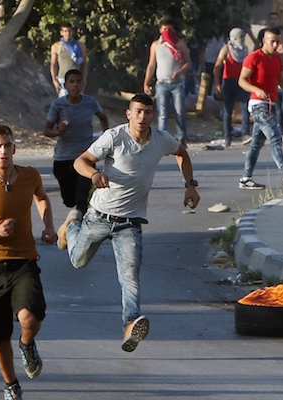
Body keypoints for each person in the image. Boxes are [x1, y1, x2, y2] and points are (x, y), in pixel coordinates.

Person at [57, 93, 200, 354]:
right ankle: (71, 225)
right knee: (78, 261)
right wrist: (94, 174)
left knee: (130, 277)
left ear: (153, 115)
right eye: (138, 112)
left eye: (147, 112)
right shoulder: (115, 137)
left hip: (130, 223)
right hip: (99, 216)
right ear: (129, 114)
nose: (142, 117)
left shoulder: (161, 140)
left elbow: (182, 154)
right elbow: (81, 161)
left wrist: (190, 186)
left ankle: (130, 324)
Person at [0, 125, 58, 400]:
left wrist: (49, 227)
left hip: (23, 262)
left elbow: (41, 197)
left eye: (7, 145)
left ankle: (27, 344)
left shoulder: (30, 175)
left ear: (14, 148)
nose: (3, 151)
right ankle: (11, 385)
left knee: (30, 316)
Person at [238, 27, 283, 190]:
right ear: (264, 41)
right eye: (272, 41)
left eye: (278, 41)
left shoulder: (277, 59)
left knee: (256, 144)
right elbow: (242, 80)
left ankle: (245, 178)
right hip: (258, 105)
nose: (276, 44)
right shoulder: (254, 58)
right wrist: (256, 89)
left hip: (270, 104)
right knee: (276, 137)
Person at [43, 69, 110, 214]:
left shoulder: (90, 103)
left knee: (82, 199)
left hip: (85, 157)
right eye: (71, 82)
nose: (75, 85)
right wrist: (58, 131)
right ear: (65, 85)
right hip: (63, 159)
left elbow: (103, 117)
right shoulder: (58, 105)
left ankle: (81, 227)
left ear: (83, 84)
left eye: (78, 81)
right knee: (69, 200)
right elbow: (47, 130)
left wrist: (106, 138)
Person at [144, 18, 192, 148]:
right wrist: (146, 82)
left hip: (177, 83)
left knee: (179, 112)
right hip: (162, 83)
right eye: (164, 29)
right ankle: (162, 139)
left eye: (169, 29)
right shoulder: (156, 45)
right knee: (163, 113)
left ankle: (182, 138)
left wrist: (180, 72)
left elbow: (188, 62)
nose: (167, 31)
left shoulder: (179, 43)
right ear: (160, 30)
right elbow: (151, 64)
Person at [214, 28, 252, 147]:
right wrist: (217, 83)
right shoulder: (226, 49)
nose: (241, 40)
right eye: (239, 37)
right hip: (228, 82)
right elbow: (217, 66)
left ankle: (245, 134)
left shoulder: (244, 49)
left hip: (241, 81)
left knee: (245, 107)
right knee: (228, 109)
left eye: (243, 37)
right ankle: (227, 136)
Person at [49, 22, 88, 97]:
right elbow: (53, 65)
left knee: (77, 103)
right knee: (64, 104)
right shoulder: (56, 46)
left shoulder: (80, 46)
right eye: (65, 31)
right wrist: (54, 80)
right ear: (61, 33)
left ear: (72, 32)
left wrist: (84, 80)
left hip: (76, 79)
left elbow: (85, 64)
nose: (68, 33)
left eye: (69, 31)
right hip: (63, 79)